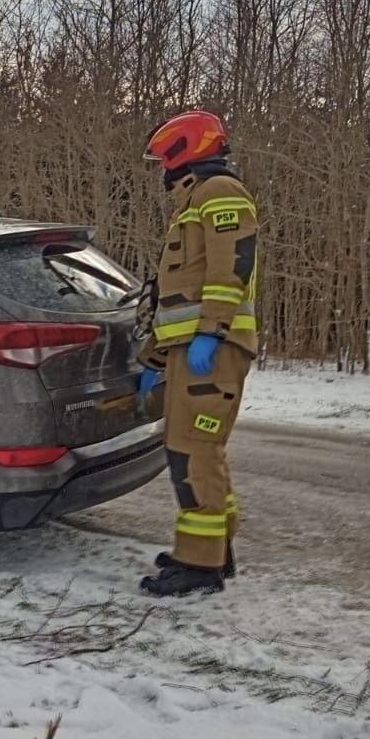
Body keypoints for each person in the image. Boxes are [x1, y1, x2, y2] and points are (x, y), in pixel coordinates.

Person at [135, 110, 260, 597]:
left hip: (215, 350)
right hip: (192, 351)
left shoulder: (219, 194)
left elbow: (232, 269)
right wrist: (156, 360)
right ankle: (212, 552)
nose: (161, 171)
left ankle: (199, 567)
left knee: (193, 453)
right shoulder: (195, 200)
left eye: (162, 160)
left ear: (181, 152)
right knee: (198, 451)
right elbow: (177, 299)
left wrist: (213, 330)